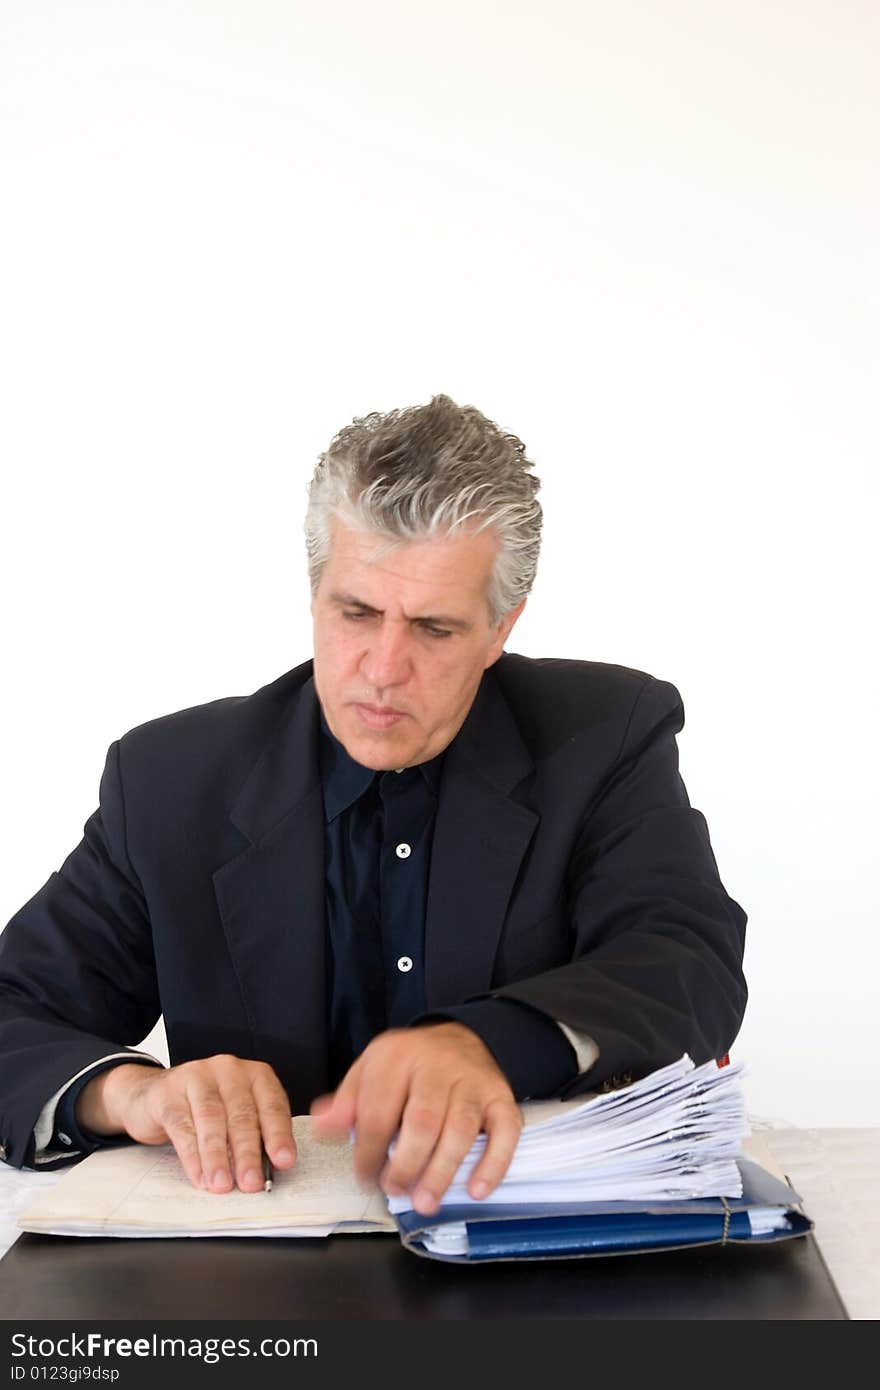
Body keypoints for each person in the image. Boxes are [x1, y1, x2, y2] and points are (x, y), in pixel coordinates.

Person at [0, 394, 747, 1217]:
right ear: (314, 592)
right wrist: (132, 1094)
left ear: (502, 629)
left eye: (434, 629)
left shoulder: (607, 735)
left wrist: (489, 1043)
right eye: (356, 613)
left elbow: (687, 964)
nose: (384, 668)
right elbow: (13, 1011)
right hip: (248, 1282)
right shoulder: (169, 781)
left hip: (531, 1265)